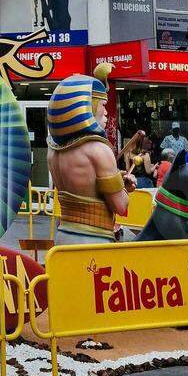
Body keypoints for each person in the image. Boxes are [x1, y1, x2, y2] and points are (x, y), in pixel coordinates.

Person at [47, 64, 136, 245]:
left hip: (63, 235)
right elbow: (119, 205)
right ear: (86, 106)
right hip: (94, 240)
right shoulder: (98, 150)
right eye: (102, 105)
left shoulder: (53, 150)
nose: (106, 112)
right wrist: (126, 187)